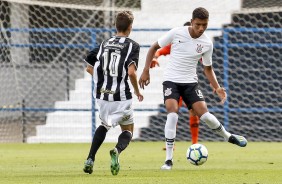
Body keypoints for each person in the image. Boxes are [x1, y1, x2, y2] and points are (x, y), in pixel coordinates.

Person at [139, 7, 247, 170]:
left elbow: (208, 68)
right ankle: (168, 160)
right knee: (173, 114)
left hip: (190, 83)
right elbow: (154, 47)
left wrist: (217, 87)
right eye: (198, 25)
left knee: (205, 115)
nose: (201, 28)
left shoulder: (206, 43)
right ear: (191, 22)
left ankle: (228, 136)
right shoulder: (177, 33)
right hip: (171, 81)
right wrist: (146, 70)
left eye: (204, 25)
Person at [83, 10, 143, 175]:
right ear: (130, 27)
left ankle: (90, 158)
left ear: (115, 26)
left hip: (103, 95)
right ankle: (116, 150)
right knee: (128, 130)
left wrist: (102, 79)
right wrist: (137, 91)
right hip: (121, 96)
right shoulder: (133, 45)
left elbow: (89, 66)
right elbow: (131, 72)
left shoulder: (104, 44)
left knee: (104, 125)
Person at [150, 21, 201, 147]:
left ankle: (194, 143)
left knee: (194, 112)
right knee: (173, 113)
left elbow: (207, 64)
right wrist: (155, 57)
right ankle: (170, 143)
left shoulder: (197, 45)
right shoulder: (175, 44)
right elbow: (159, 51)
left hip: (188, 83)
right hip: (175, 83)